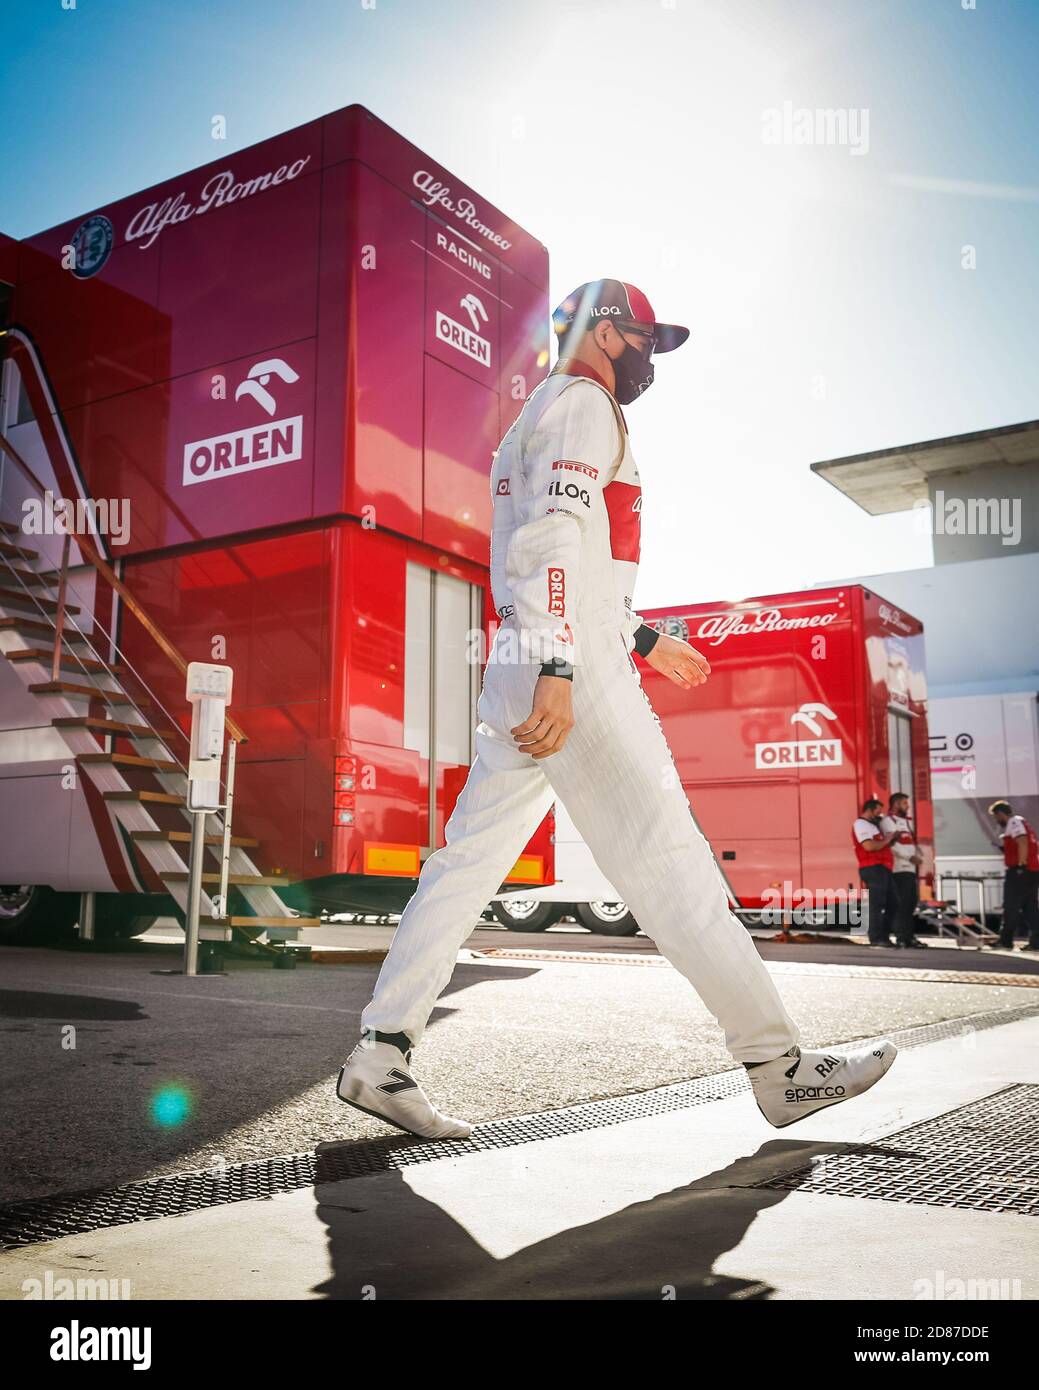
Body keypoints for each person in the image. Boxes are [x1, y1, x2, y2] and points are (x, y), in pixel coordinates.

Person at [337, 279, 896, 1136]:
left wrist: (637, 641)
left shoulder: (536, 416)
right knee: (670, 864)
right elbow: (552, 542)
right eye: (643, 340)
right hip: (567, 661)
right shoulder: (585, 404)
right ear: (604, 332)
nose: (648, 360)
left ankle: (379, 1055)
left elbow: (566, 565)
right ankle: (778, 1068)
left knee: (463, 866)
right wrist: (569, 664)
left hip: (530, 651)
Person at [988, 800, 1039, 950]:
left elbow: (1022, 841)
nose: (997, 821)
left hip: (1021, 871)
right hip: (1032, 871)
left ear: (1000, 814)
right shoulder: (1020, 822)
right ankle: (1036, 942)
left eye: (996, 817)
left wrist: (1021, 864)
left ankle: (1005, 941)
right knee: (1030, 908)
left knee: (1011, 906)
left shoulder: (1014, 822)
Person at [880, 791, 927, 948]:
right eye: (905, 803)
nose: (908, 806)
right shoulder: (888, 821)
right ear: (895, 804)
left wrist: (918, 855)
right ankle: (901, 937)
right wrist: (909, 857)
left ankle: (909, 937)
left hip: (911, 869)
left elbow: (910, 843)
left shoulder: (907, 822)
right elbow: (892, 845)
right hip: (899, 868)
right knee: (902, 904)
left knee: (911, 903)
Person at [853, 799, 898, 947]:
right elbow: (869, 846)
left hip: (882, 867)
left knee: (894, 902)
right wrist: (887, 839)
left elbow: (881, 844)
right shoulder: (861, 824)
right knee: (877, 904)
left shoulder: (873, 826)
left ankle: (883, 936)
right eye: (878, 811)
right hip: (872, 868)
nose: (879, 814)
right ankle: (876, 937)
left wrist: (891, 839)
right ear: (869, 809)